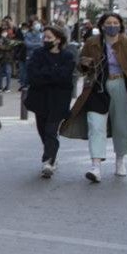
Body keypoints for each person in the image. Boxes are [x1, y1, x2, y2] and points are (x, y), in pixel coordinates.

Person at [61, 12, 127, 183]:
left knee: (123, 125)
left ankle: (120, 159)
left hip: (122, 87)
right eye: (108, 23)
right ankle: (96, 166)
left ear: (120, 25)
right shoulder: (92, 43)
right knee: (95, 126)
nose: (112, 26)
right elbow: (82, 67)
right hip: (97, 88)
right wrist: (84, 65)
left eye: (115, 22)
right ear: (102, 26)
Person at [25, 26, 75, 178]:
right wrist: (53, 75)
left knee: (51, 131)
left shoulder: (67, 56)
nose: (45, 40)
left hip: (59, 100)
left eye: (49, 38)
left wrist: (45, 74)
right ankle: (51, 154)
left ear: (58, 39)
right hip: (40, 99)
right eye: (44, 37)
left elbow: (65, 76)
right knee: (42, 130)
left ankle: (48, 161)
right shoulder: (38, 54)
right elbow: (33, 75)